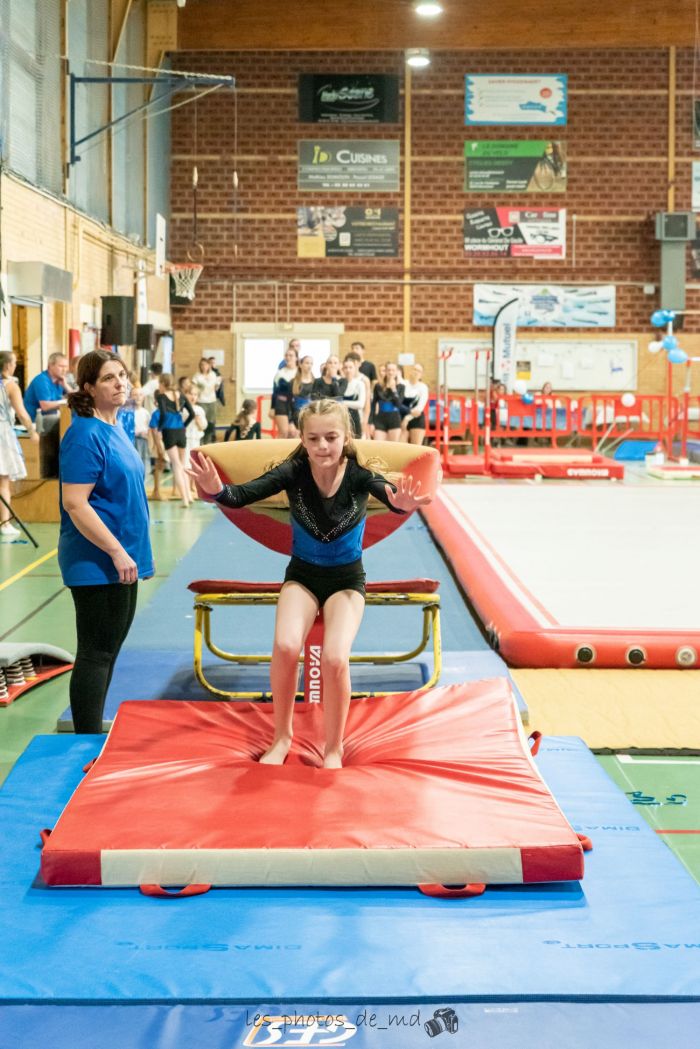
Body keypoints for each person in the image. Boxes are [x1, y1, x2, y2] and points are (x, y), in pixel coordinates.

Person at [188, 399, 431, 768]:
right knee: (286, 646)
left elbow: (390, 496)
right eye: (313, 438)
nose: (322, 446)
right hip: (302, 575)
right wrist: (217, 490)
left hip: (346, 579)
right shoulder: (293, 471)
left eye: (331, 437)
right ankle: (282, 737)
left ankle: (334, 747)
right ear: (302, 439)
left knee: (335, 657)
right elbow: (243, 495)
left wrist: (403, 504)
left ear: (346, 437)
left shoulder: (359, 475)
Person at [58, 349, 154, 733]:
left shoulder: (116, 426)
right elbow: (75, 503)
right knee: (96, 653)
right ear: (88, 388)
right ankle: (84, 740)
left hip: (123, 557)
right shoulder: (84, 435)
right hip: (97, 560)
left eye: (122, 375)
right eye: (108, 378)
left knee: (109, 651)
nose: (120, 383)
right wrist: (115, 551)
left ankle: (92, 727)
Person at [0, 350, 39, 536]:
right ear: (8, 365)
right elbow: (22, 414)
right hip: (2, 434)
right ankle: (5, 523)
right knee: (3, 481)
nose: (15, 366)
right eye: (14, 362)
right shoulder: (11, 386)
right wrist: (32, 431)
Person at [154, 374, 195, 507]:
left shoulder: (161, 396)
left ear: (163, 383)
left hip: (169, 432)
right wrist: (184, 425)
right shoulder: (180, 395)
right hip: (180, 431)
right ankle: (189, 496)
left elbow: (163, 414)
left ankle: (184, 499)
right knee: (182, 464)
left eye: (159, 383)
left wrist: (159, 429)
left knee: (176, 466)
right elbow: (192, 414)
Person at [22, 352, 69, 427]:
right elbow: (45, 406)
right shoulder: (42, 380)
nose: (64, 370)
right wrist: (65, 402)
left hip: (49, 419)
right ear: (50, 366)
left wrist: (66, 386)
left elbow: (76, 398)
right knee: (67, 423)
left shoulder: (60, 381)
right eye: (61, 366)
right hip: (35, 422)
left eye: (66, 367)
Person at [370, 362, 404, 442]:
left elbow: (398, 404)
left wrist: (393, 389)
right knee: (378, 444)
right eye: (389, 370)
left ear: (396, 372)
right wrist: (371, 422)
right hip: (380, 419)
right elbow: (373, 404)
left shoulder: (401, 387)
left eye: (393, 370)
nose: (391, 372)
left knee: (393, 447)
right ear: (386, 371)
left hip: (394, 419)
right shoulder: (378, 386)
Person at [270, 344, 299, 438]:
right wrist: (272, 408)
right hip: (281, 404)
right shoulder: (280, 373)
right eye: (286, 355)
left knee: (293, 433)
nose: (288, 357)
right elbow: (275, 392)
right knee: (284, 432)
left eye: (291, 355)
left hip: (295, 405)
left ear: (296, 358)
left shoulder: (300, 372)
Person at [191, 358, 221, 444]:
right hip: (201, 401)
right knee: (201, 421)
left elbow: (216, 387)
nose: (203, 366)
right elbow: (193, 388)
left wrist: (218, 384)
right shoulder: (197, 376)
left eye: (205, 364)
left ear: (208, 365)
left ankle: (208, 441)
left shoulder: (213, 374)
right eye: (201, 365)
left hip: (212, 401)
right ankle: (200, 441)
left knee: (211, 422)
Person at [351, 341, 377, 437]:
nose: (354, 350)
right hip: (354, 396)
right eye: (353, 348)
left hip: (366, 396)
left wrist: (369, 393)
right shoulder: (349, 366)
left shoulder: (369, 365)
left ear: (363, 350)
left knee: (365, 427)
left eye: (357, 348)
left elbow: (374, 381)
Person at [400, 363, 429, 446]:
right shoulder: (403, 384)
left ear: (421, 375)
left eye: (419, 371)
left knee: (416, 448)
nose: (416, 372)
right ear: (410, 371)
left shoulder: (423, 387)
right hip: (402, 417)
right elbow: (398, 403)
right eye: (415, 369)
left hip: (416, 419)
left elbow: (419, 408)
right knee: (401, 446)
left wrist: (407, 419)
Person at [340, 353, 366, 438]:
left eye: (350, 367)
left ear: (355, 369)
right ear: (343, 369)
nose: (348, 370)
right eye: (345, 367)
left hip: (355, 418)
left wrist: (342, 403)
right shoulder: (338, 383)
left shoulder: (360, 384)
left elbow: (360, 404)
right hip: (341, 417)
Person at [290, 355, 315, 431]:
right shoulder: (293, 382)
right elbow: (288, 404)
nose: (309, 365)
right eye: (307, 363)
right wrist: (290, 422)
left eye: (311, 363)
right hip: (297, 415)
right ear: (300, 365)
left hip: (312, 415)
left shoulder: (316, 382)